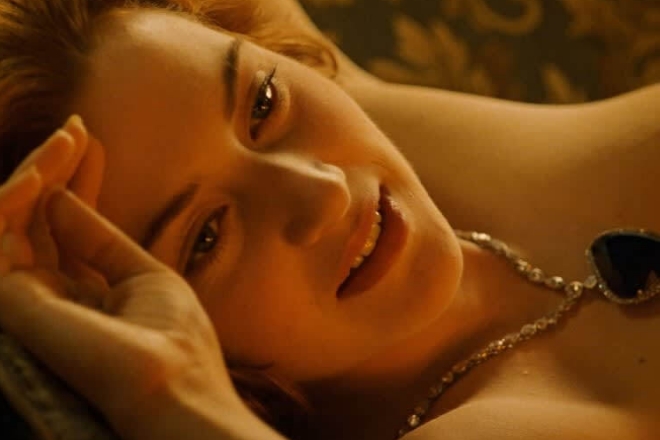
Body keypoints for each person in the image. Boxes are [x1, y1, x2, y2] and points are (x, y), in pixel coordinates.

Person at [0, 1, 659, 439]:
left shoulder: (366, 108)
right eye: (207, 236)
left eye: (261, 105)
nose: (325, 193)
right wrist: (170, 396)